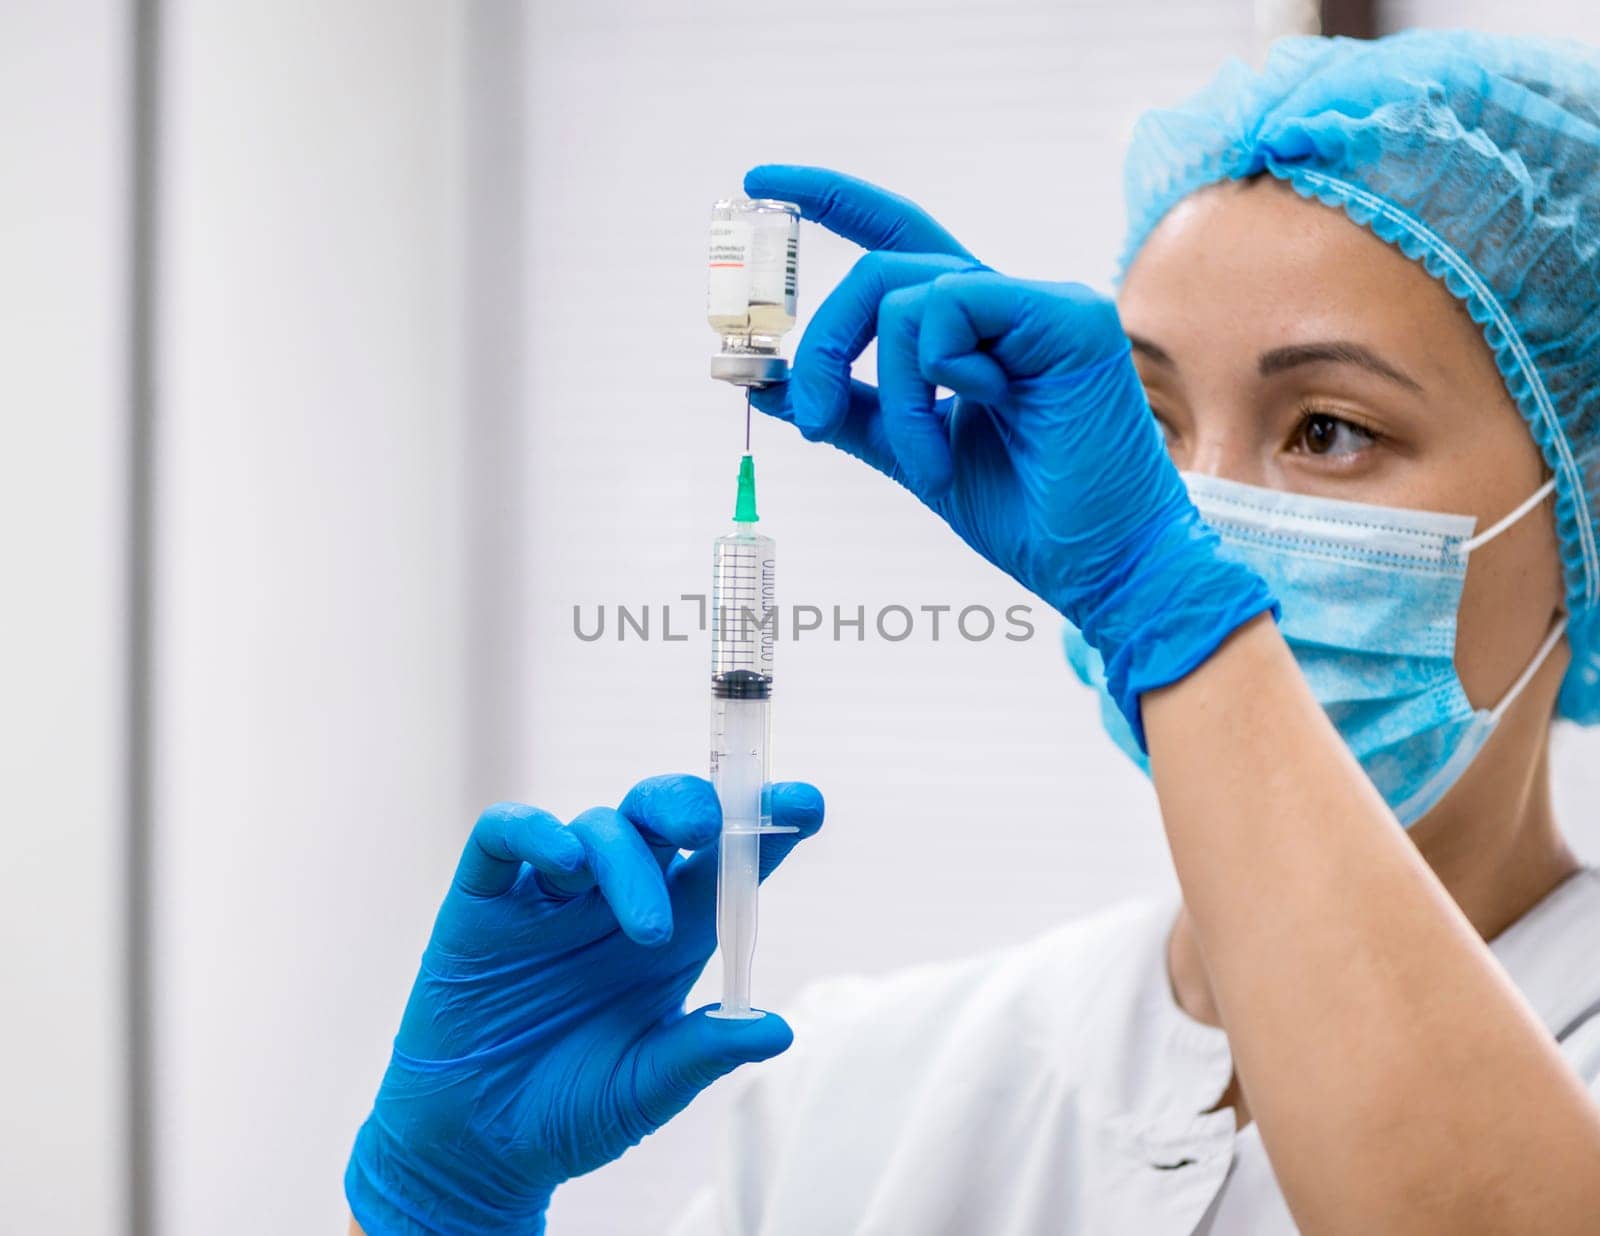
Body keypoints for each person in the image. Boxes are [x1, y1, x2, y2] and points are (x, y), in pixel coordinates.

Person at [345, 30, 1600, 1235]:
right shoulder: (856, 1091)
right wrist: (439, 1214)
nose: (1188, 518)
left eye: (1327, 429)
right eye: (1147, 424)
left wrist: (1171, 604)